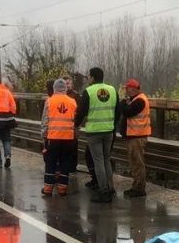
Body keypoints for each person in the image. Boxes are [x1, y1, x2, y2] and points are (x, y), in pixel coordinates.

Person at [74, 67, 120, 203]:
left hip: (94, 132)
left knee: (98, 161)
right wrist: (113, 124)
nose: (88, 79)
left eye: (88, 76)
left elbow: (81, 112)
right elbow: (118, 111)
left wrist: (76, 124)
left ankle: (103, 191)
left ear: (93, 77)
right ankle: (110, 188)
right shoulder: (112, 90)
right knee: (106, 159)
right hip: (109, 130)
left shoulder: (89, 92)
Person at [41, 79, 77, 196]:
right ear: (65, 89)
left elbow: (45, 121)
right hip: (68, 138)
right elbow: (76, 121)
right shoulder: (72, 102)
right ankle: (62, 189)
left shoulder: (50, 101)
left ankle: (48, 188)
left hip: (53, 137)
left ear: (54, 89)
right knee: (65, 163)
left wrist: (44, 136)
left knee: (50, 163)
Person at [119, 79, 151, 197]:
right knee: (135, 162)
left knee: (138, 163)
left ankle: (139, 189)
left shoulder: (140, 100)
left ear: (133, 88)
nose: (126, 91)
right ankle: (136, 186)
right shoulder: (136, 99)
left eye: (127, 89)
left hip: (137, 136)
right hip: (134, 135)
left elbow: (127, 112)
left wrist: (122, 103)